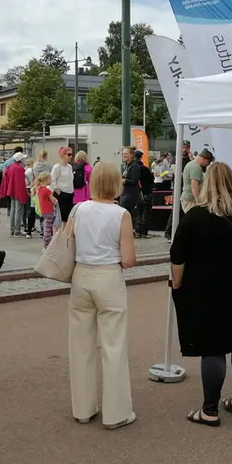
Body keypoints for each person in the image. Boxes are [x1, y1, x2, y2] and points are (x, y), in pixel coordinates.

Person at [170, 162, 232, 428]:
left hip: (206, 290)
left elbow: (177, 255)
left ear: (206, 182)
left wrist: (177, 285)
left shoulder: (196, 215)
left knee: (213, 348)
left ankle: (210, 409)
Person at [66, 161, 137, 430]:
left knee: (81, 344)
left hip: (81, 277)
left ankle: (83, 408)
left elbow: (68, 243)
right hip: (108, 277)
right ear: (116, 184)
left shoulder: (78, 209)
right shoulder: (121, 214)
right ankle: (116, 412)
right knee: (113, 345)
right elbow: (128, 260)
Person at [0, 152, 29, 238]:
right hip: (18, 191)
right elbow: (21, 183)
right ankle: (17, 230)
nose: (24, 160)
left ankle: (12, 230)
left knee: (13, 210)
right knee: (18, 211)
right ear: (20, 160)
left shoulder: (10, 167)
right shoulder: (20, 169)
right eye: (23, 158)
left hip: (11, 190)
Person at [181, 149, 212, 213]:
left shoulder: (191, 164)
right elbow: (194, 185)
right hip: (191, 201)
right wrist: (199, 202)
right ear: (204, 159)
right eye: (208, 162)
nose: (208, 164)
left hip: (189, 199)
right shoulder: (196, 167)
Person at [51, 147, 75, 224]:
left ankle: (64, 233)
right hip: (61, 193)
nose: (71, 156)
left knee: (68, 216)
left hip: (70, 193)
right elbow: (52, 180)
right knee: (60, 216)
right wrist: (58, 192)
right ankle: (59, 233)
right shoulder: (57, 167)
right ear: (63, 155)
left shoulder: (70, 167)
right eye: (69, 154)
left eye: (71, 154)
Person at [119, 146, 142, 221]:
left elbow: (135, 181)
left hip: (131, 194)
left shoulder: (135, 166)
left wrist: (124, 181)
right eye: (123, 154)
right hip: (124, 193)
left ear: (131, 155)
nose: (124, 155)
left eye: (126, 153)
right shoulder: (126, 166)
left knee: (125, 213)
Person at [35, 172, 58, 248]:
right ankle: (47, 242)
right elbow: (53, 201)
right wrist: (56, 201)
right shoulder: (47, 191)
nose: (51, 180)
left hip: (44, 211)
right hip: (49, 210)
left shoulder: (40, 189)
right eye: (50, 179)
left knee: (46, 225)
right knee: (49, 227)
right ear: (45, 180)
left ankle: (47, 241)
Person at [136, 150, 154, 238]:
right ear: (141, 157)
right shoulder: (145, 169)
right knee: (146, 212)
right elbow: (151, 180)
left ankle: (138, 230)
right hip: (147, 192)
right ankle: (144, 231)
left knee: (138, 212)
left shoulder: (132, 168)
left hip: (137, 193)